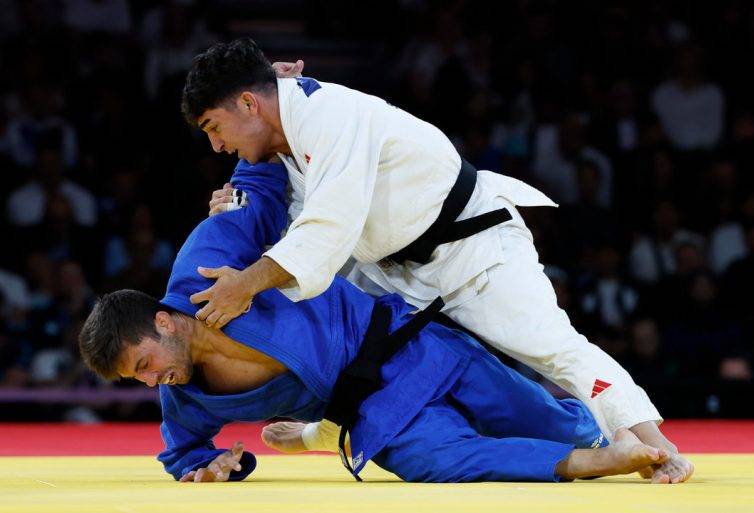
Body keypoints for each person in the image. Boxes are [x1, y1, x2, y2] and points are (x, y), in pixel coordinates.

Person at [181, 39, 692, 484]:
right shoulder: (279, 135)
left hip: (472, 250)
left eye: (214, 126)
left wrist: (246, 284)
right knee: (359, 354)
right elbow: (288, 215)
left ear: (248, 103)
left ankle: (656, 446)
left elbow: (328, 225)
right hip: (391, 269)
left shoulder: (326, 115)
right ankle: (328, 430)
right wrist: (236, 208)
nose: (215, 145)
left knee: (553, 349)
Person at [79, 159, 668, 484]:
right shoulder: (185, 399)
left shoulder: (205, 267)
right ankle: (587, 462)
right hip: (373, 412)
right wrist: (215, 467)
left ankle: (594, 438)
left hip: (411, 347)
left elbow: (257, 182)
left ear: (167, 321)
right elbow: (182, 455)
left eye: (145, 365)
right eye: (141, 381)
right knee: (430, 461)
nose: (153, 383)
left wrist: (280, 99)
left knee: (542, 417)